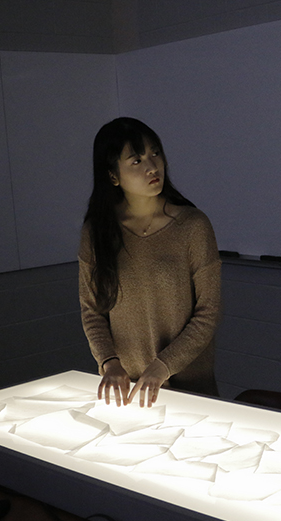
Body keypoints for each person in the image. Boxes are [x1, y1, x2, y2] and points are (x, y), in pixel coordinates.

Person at [79, 117, 221, 407]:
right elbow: (92, 310)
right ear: (113, 175)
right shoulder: (98, 231)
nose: (152, 166)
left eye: (155, 153)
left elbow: (208, 313)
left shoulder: (193, 225)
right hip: (125, 391)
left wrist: (163, 366)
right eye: (136, 160)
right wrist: (109, 362)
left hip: (189, 388)